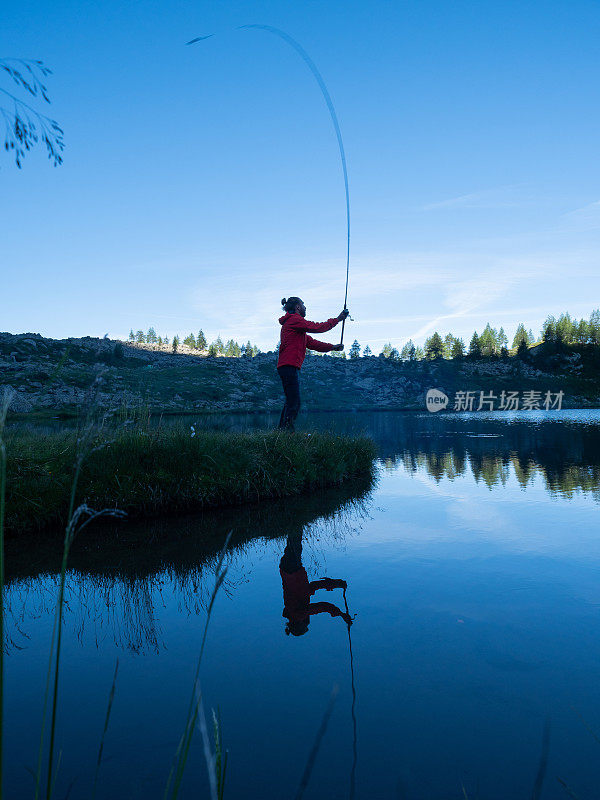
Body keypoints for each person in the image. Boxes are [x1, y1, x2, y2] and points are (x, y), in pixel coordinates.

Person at [277, 297, 349, 431]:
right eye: (303, 305)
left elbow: (313, 343)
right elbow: (317, 327)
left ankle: (282, 432)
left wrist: (332, 347)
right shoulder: (294, 320)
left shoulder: (297, 327)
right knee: (294, 402)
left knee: (291, 401)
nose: (305, 308)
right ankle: (286, 433)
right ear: (298, 307)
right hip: (289, 366)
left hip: (288, 366)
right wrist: (338, 319)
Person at [280, 530, 352, 636]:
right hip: (289, 569)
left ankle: (294, 519)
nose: (307, 624)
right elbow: (313, 587)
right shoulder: (295, 608)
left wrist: (341, 614)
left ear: (299, 625)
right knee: (294, 539)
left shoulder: (298, 614)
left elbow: (322, 607)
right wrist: (337, 584)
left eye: (305, 627)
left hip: (292, 571)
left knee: (294, 537)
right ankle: (293, 520)